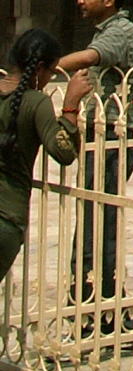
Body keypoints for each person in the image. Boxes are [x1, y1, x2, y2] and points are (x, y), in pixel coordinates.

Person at [56, 0, 133, 316]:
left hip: (113, 133)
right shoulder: (107, 29)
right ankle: (89, 287)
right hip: (100, 131)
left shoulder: (120, 31)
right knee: (93, 209)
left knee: (100, 213)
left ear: (109, 0)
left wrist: (43, 67)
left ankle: (100, 292)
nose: (80, 0)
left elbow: (91, 57)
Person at [0, 30, 87, 279]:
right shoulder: (35, 103)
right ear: (39, 69)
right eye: (51, 72)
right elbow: (64, 152)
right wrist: (70, 106)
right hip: (7, 217)